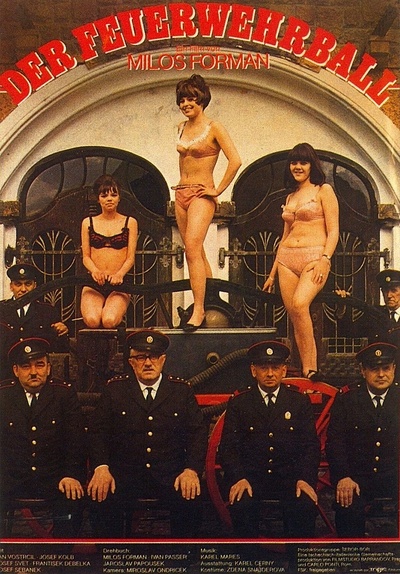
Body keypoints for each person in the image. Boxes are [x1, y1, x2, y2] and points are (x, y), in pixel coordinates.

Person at [87, 329, 208, 538]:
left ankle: (183, 555)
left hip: (171, 475)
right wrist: (101, 467)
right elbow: (98, 432)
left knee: (192, 497)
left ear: (163, 360)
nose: (148, 363)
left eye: (154, 357)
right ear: (131, 362)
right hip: (124, 476)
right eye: (141, 357)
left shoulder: (181, 390)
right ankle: (112, 554)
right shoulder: (114, 390)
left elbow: (197, 433)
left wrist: (191, 470)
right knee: (100, 497)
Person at [219, 340, 320, 538]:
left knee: (304, 506)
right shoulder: (240, 403)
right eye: (264, 368)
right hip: (251, 480)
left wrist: (305, 479)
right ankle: (249, 557)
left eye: (275, 368)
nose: (270, 373)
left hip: (290, 480)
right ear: (253, 371)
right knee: (241, 505)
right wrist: (238, 478)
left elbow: (311, 446)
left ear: (284, 370)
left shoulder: (299, 402)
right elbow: (228, 448)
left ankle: (296, 558)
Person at [263, 143, 339, 379]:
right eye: (294, 162)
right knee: (295, 317)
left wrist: (325, 259)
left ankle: (312, 367)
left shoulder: (323, 190)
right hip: (287, 260)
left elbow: (334, 231)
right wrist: (272, 274)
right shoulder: (291, 196)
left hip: (314, 258)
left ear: (311, 165)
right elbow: (284, 237)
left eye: (303, 162)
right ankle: (306, 370)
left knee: (299, 304)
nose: (297, 167)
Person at [173, 74, 242, 331]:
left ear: (202, 99)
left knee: (191, 248)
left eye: (190, 99)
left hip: (201, 195)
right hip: (181, 192)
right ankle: (210, 300)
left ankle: (199, 309)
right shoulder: (180, 127)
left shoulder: (214, 127)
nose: (186, 104)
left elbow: (235, 160)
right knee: (196, 251)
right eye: (182, 100)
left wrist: (217, 189)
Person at [0, 338, 86, 538]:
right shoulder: (3, 396)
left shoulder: (64, 394)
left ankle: (59, 555)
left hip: (54, 477)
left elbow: (76, 440)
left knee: (72, 500)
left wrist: (71, 474)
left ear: (48, 368)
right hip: (11, 478)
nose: (33, 372)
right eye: (26, 366)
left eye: (39, 365)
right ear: (15, 371)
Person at [326, 341, 399, 538]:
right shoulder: (347, 399)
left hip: (394, 476)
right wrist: (343, 476)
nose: (381, 374)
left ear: (394, 369)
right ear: (363, 371)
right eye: (374, 369)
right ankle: (352, 554)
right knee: (347, 507)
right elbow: (335, 443)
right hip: (358, 478)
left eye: (386, 368)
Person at [81, 174, 138, 328]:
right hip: (94, 283)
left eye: (114, 195)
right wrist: (94, 271)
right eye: (104, 195)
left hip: (119, 284)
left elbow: (130, 257)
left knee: (109, 320)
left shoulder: (130, 222)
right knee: (92, 320)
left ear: (119, 198)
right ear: (98, 199)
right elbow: (86, 256)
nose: (109, 199)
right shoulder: (88, 222)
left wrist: (120, 274)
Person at [0, 263, 69, 380]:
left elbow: (59, 347)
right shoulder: (2, 310)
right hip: (5, 376)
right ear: (11, 286)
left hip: (36, 376)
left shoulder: (47, 311)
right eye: (18, 284)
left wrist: (63, 332)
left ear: (35, 286)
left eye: (28, 284)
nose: (23, 289)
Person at [335, 269, 400, 366]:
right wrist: (342, 307)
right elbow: (348, 331)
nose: (389, 295)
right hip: (379, 370)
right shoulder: (374, 314)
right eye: (385, 291)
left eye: (394, 290)